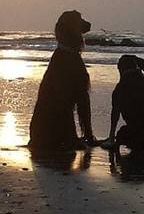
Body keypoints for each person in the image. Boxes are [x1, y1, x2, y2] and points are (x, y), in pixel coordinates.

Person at [28, 10, 97, 149]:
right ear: (72, 28)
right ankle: (82, 137)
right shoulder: (71, 60)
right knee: (71, 100)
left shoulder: (60, 58)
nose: (85, 24)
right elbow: (80, 101)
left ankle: (78, 137)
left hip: (39, 134)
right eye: (80, 21)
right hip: (56, 134)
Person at [101, 55, 144, 156]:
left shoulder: (121, 89)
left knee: (122, 132)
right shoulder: (143, 88)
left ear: (120, 69)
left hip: (142, 142)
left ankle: (112, 142)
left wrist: (112, 137)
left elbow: (115, 114)